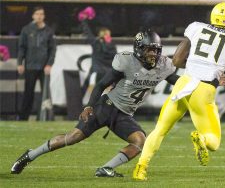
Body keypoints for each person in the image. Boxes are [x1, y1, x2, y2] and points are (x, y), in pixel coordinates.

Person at [11, 30, 179, 177]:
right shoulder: (127, 61)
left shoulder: (162, 66)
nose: (153, 54)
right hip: (106, 106)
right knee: (72, 137)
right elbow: (101, 85)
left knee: (140, 140)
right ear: (139, 48)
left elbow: (178, 82)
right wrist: (89, 106)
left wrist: (198, 85)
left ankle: (106, 168)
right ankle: (30, 155)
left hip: (124, 114)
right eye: (149, 49)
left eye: (156, 50)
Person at [133, 2, 225, 181]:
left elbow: (177, 61)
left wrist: (201, 65)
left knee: (160, 130)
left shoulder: (196, 28)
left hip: (183, 83)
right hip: (203, 90)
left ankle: (141, 168)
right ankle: (201, 139)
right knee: (214, 141)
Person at [17, 6, 56, 121]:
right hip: (30, 66)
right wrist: (20, 63)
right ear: (33, 16)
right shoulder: (26, 30)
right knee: (28, 93)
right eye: (37, 14)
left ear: (44, 16)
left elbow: (52, 50)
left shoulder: (49, 31)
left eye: (41, 14)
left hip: (44, 68)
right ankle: (24, 118)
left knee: (46, 93)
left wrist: (49, 64)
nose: (39, 16)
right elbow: (22, 48)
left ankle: (46, 117)